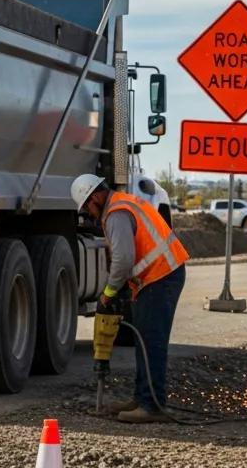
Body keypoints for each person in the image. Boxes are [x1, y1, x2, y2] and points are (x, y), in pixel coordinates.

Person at [71, 174, 188, 423]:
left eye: (87, 208)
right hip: (158, 277)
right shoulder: (122, 205)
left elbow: (123, 259)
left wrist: (109, 293)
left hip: (161, 276)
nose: (89, 215)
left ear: (95, 197)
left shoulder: (116, 213)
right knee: (144, 339)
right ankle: (142, 398)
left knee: (151, 342)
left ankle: (152, 406)